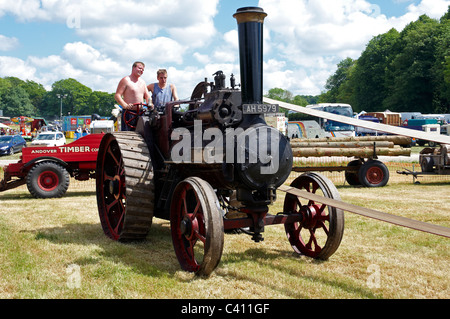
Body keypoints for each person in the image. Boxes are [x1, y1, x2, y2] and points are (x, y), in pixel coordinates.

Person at [115, 61, 153, 130]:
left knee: (143, 134)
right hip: (129, 113)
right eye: (139, 68)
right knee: (128, 136)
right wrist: (125, 105)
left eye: (143, 70)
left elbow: (148, 97)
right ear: (133, 68)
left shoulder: (142, 82)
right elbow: (117, 96)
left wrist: (150, 104)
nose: (141, 70)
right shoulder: (126, 80)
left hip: (141, 113)